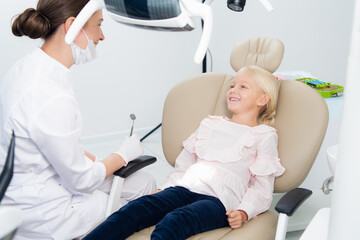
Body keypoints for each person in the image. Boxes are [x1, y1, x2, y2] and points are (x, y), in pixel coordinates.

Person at [0, 0, 156, 239]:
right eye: (99, 24)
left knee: (144, 182)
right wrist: (122, 154)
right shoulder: (50, 95)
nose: (102, 36)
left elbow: (45, 143)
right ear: (73, 25)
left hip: (32, 183)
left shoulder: (28, 68)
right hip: (45, 212)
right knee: (136, 203)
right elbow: (82, 181)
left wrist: (98, 160)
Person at [83, 65, 286, 240]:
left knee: (173, 222)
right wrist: (166, 188)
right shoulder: (210, 124)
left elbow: (261, 188)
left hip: (219, 202)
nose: (233, 89)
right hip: (184, 188)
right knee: (135, 209)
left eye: (243, 86)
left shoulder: (264, 135)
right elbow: (184, 165)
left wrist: (244, 212)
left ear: (262, 99)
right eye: (232, 85)